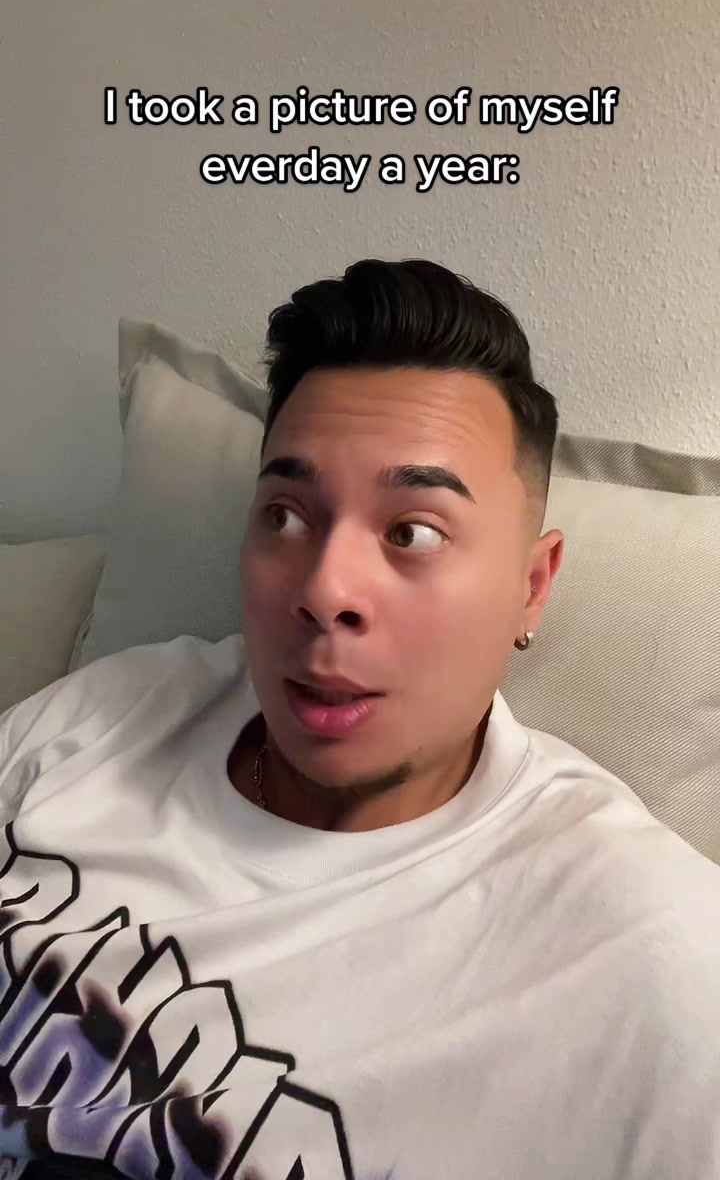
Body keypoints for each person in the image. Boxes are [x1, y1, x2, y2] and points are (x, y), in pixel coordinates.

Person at [0, 258, 718, 1180]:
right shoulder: (106, 715)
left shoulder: (654, 962)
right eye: (287, 516)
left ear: (531, 586)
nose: (326, 589)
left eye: (412, 531)